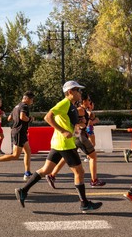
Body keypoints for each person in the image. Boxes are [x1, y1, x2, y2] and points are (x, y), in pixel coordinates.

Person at [14, 81, 103, 213]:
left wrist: (80, 124)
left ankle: (23, 190)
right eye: (77, 90)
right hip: (65, 144)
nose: (80, 93)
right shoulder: (64, 103)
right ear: (70, 92)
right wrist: (63, 131)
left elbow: (69, 123)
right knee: (79, 172)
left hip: (58, 143)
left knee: (45, 170)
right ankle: (84, 204)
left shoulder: (72, 106)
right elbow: (48, 117)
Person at [45, 92, 105, 188]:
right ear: (84, 101)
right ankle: (94, 180)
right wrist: (90, 121)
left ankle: (52, 175)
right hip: (79, 135)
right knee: (93, 156)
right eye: (88, 100)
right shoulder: (80, 110)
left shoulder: (83, 110)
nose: (90, 102)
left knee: (66, 158)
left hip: (77, 135)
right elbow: (78, 124)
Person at [0, 91, 35, 181]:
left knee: (28, 151)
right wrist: (30, 119)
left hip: (21, 132)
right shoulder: (24, 106)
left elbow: (9, 118)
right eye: (32, 99)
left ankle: (27, 173)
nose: (32, 101)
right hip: (19, 132)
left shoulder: (16, 106)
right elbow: (22, 117)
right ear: (27, 98)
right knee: (15, 155)